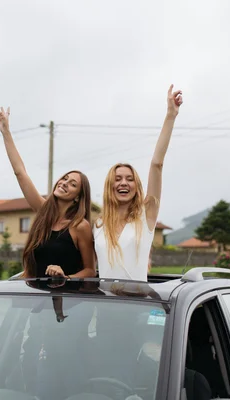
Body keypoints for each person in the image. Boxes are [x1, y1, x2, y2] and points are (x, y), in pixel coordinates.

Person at [93, 85, 183, 281]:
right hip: (104, 309)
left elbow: (157, 164)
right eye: (117, 179)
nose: (123, 183)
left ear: (136, 186)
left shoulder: (146, 215)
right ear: (110, 187)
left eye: (129, 179)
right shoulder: (99, 224)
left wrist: (170, 115)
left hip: (138, 308)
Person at [0, 107, 96, 279]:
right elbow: (20, 173)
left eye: (72, 184)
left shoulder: (80, 226)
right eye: (64, 178)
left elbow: (90, 271)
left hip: (66, 300)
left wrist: (65, 277)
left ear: (78, 197)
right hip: (36, 296)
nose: (64, 183)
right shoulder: (44, 213)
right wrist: (5, 131)